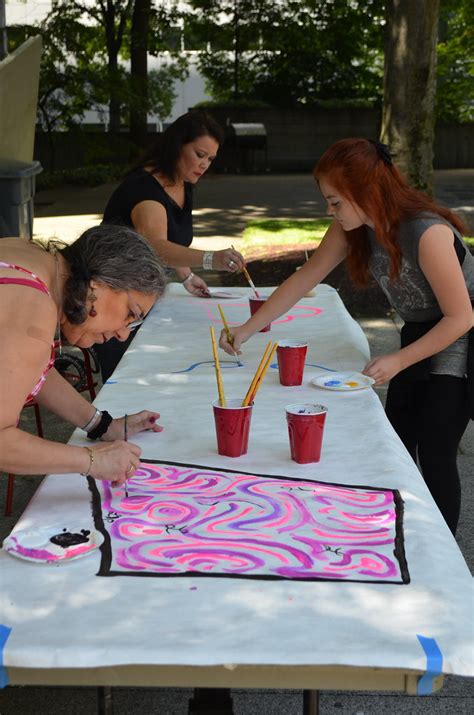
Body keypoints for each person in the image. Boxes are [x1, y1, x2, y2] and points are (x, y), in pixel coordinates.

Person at [219, 138, 474, 535]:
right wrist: (247, 329)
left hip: (462, 333)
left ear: (365, 192)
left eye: (335, 201)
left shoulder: (426, 232)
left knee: (437, 447)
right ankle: (404, 533)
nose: (329, 210)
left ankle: (442, 554)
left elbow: (460, 318)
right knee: (398, 439)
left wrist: (398, 360)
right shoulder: (352, 228)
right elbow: (304, 278)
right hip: (424, 331)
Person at [0, 224, 168, 485]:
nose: (124, 334)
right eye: (131, 314)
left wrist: (102, 426)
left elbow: (24, 368)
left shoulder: (30, 256)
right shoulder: (32, 304)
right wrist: (91, 460)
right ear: (97, 285)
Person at [94, 110, 245, 382]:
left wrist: (186, 275)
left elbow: (171, 239)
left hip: (139, 301)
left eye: (210, 159)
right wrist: (211, 259)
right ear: (177, 145)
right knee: (126, 385)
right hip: (111, 303)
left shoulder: (183, 182)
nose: (205, 165)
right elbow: (156, 247)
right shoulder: (145, 189)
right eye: (200, 155)